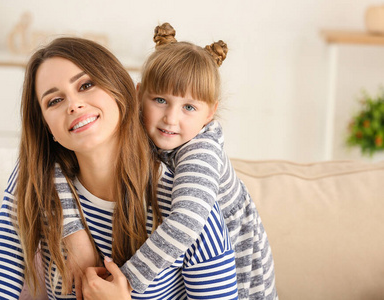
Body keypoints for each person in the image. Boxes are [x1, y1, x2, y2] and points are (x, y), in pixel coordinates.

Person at [0, 37, 238, 300]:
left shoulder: (188, 205)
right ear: (47, 127)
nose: (74, 105)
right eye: (54, 101)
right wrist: (72, 230)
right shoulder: (35, 183)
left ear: (123, 90)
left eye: (85, 85)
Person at [63, 23, 278, 300]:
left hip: (236, 256)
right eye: (161, 100)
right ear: (139, 95)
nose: (171, 118)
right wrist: (73, 230)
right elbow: (56, 163)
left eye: (189, 107)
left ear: (210, 112)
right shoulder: (132, 128)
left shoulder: (201, 151)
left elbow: (187, 222)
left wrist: (126, 280)